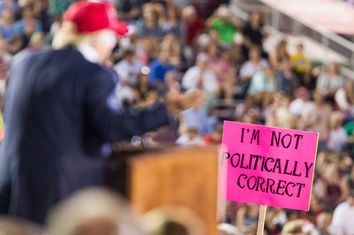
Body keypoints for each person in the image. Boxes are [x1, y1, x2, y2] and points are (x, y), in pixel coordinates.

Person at [0, 1, 182, 225]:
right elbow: (112, 128)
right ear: (98, 37)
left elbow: (11, 117)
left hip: (11, 190)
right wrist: (165, 110)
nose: (114, 42)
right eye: (112, 35)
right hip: (60, 197)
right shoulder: (94, 73)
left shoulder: (23, 62)